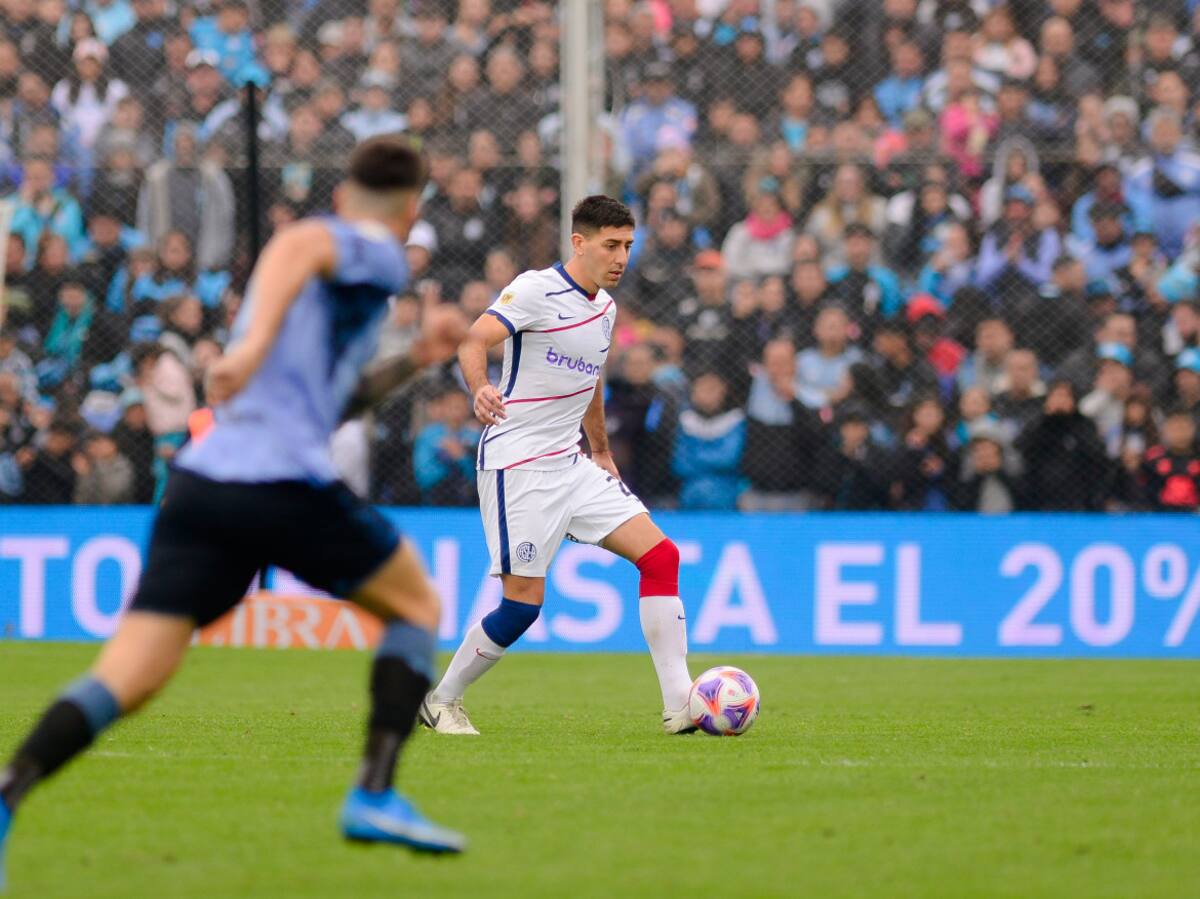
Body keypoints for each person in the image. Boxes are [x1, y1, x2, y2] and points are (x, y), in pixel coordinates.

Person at [0, 138, 470, 884]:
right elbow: (301, 242)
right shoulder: (373, 252)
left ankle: (8, 793)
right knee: (416, 603)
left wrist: (415, 359)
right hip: (280, 482)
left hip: (203, 484)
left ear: (346, 191)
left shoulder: (330, 292)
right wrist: (248, 347)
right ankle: (373, 793)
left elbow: (335, 400)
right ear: (408, 210)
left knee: (134, 671)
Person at [422, 196, 698, 737]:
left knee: (662, 557)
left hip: (572, 464)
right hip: (517, 464)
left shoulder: (607, 308)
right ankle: (441, 701)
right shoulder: (534, 289)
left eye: (627, 247)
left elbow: (591, 379)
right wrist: (480, 387)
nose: (621, 258)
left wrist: (600, 450)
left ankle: (680, 704)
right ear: (579, 242)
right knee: (523, 607)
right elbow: (474, 339)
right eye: (611, 245)